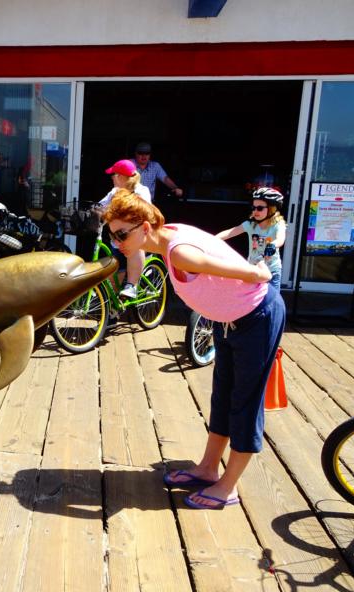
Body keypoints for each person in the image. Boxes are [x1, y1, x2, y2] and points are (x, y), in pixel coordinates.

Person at [103, 188, 285, 510]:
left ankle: (228, 486)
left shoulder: (178, 253)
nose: (117, 243)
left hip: (256, 319)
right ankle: (208, 468)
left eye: (121, 234)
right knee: (222, 395)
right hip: (230, 322)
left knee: (244, 402)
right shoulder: (168, 235)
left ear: (144, 227)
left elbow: (245, 272)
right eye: (112, 235)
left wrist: (259, 272)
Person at [97, 159, 151, 298]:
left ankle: (132, 286)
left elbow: (144, 213)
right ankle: (112, 307)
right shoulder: (114, 192)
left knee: (135, 249)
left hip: (136, 238)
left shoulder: (141, 191)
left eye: (113, 175)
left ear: (120, 176)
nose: (111, 178)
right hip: (119, 239)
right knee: (114, 279)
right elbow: (100, 207)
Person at [216, 187, 287, 289]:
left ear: (271, 209)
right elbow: (230, 233)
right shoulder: (250, 225)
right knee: (250, 298)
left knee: (272, 298)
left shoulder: (278, 224)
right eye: (253, 208)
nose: (255, 211)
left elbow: (280, 239)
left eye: (260, 208)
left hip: (272, 271)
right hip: (253, 270)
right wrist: (211, 239)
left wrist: (273, 245)